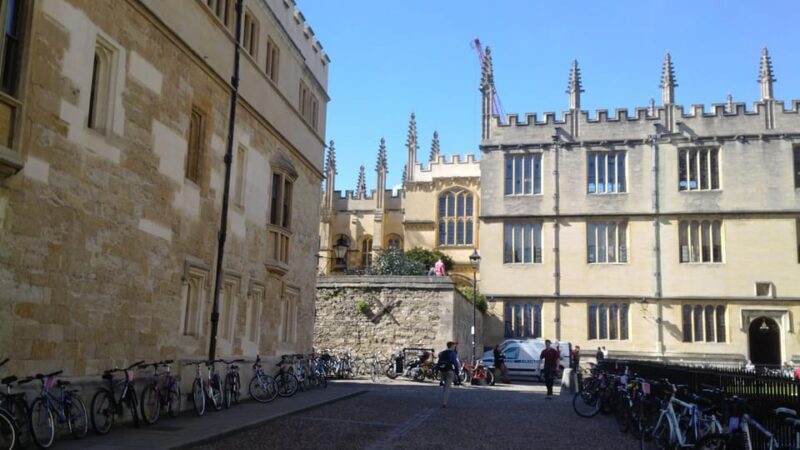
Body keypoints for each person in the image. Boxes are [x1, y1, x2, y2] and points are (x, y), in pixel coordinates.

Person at [437, 341, 459, 407]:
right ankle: (444, 402)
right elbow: (455, 363)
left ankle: (442, 381)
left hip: (442, 371)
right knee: (447, 388)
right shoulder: (452, 353)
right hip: (449, 370)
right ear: (451, 346)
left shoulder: (442, 353)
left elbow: (438, 362)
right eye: (454, 346)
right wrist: (457, 371)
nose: (454, 347)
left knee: (445, 385)